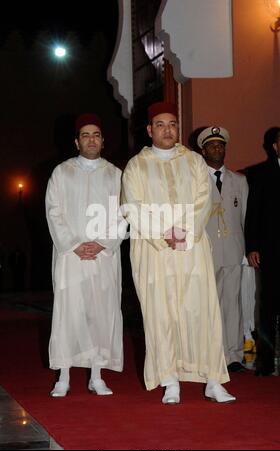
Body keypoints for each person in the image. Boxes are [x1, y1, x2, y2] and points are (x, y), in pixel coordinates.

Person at [121, 101, 235, 404]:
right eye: (160, 124)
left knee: (201, 310)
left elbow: (204, 199)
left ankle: (212, 379)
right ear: (149, 130)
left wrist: (183, 231)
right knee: (161, 314)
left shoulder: (195, 162)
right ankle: (169, 380)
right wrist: (164, 235)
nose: (167, 130)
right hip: (153, 251)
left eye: (172, 124)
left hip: (192, 247)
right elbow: (133, 205)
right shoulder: (136, 165)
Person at [45, 113, 125, 397]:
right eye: (85, 135)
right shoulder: (62, 172)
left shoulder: (115, 175)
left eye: (96, 135)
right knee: (69, 312)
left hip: (103, 257)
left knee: (100, 312)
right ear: (76, 142)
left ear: (103, 141)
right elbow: (54, 212)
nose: (91, 139)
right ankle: (63, 375)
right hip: (71, 256)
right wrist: (74, 243)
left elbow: (124, 214)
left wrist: (103, 243)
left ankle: (96, 374)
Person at [197, 127, 248, 372]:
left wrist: (247, 250)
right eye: (212, 145)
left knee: (233, 303)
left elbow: (246, 217)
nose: (217, 149)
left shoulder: (239, 181)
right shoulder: (196, 180)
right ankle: (212, 356)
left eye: (221, 145)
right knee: (210, 304)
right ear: (203, 149)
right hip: (207, 251)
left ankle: (233, 355)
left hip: (233, 250)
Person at [245, 127, 280, 375]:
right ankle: (266, 363)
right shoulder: (261, 174)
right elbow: (253, 214)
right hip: (271, 251)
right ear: (275, 146)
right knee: (268, 306)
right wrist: (252, 247)